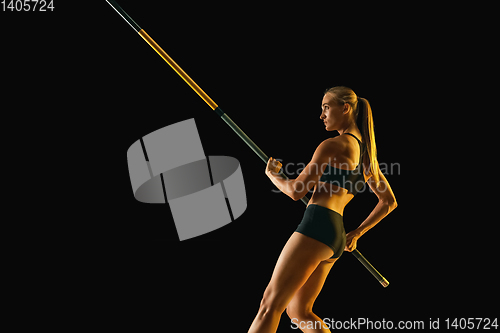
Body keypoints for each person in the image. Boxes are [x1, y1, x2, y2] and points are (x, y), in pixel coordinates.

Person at [247, 86, 397, 333]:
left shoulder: (333, 145)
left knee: (269, 306)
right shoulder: (367, 155)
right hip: (335, 237)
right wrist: (356, 233)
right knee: (299, 312)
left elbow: (296, 191)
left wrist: (273, 175)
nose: (322, 115)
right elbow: (389, 201)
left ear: (345, 108)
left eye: (326, 107)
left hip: (316, 227)